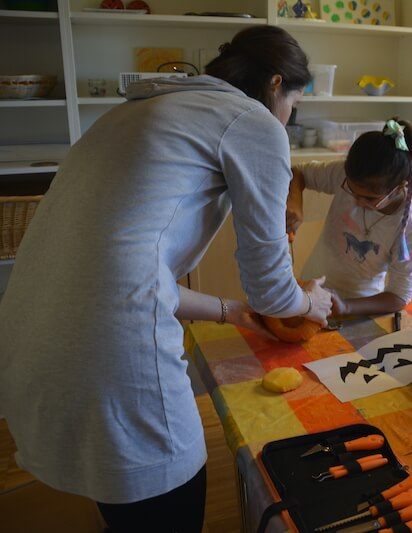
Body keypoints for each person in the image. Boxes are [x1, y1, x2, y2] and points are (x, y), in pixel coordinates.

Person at [0, 25, 332, 533]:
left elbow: (123, 271)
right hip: (110, 350)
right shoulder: (253, 120)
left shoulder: (134, 112)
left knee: (121, 495)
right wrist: (312, 303)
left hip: (32, 333)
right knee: (164, 495)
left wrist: (231, 312)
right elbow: (271, 287)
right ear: (275, 83)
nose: (289, 120)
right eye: (294, 105)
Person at [286, 118, 412, 317]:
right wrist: (295, 203)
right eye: (352, 192)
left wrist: (347, 307)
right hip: (311, 291)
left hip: (361, 309)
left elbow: (399, 296)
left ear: (400, 187)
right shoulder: (342, 176)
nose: (357, 202)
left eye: (369, 198)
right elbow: (297, 172)